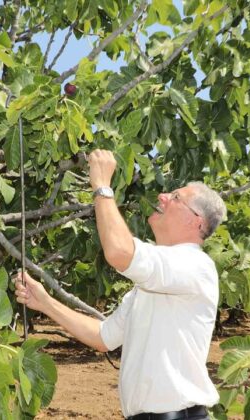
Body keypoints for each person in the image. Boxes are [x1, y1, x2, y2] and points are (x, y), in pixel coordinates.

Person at [14, 149, 226, 420]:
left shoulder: (196, 265)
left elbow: (118, 253)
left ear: (196, 221)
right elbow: (103, 337)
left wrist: (103, 186)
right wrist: (44, 302)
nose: (162, 197)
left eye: (175, 198)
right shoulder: (153, 283)